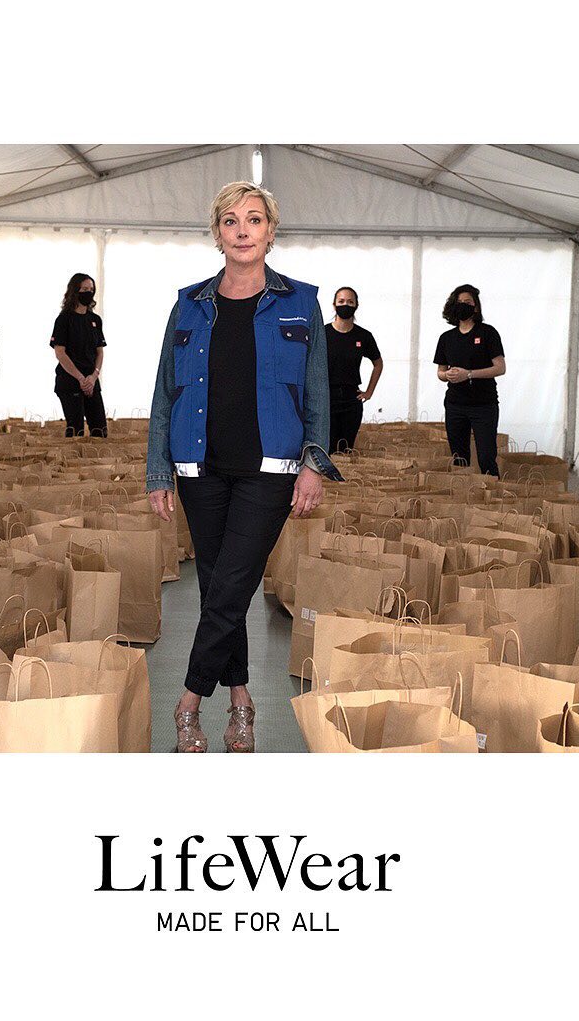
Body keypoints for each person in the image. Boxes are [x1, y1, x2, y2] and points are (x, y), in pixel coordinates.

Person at [146, 181, 342, 753]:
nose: (242, 230)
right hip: (198, 465)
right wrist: (158, 469)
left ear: (271, 231)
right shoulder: (189, 303)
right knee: (217, 589)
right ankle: (240, 700)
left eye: (253, 219)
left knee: (232, 582)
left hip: (272, 468)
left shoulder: (300, 301)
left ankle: (187, 700)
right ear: (217, 233)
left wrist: (313, 464)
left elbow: (317, 390)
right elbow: (165, 390)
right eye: (230, 221)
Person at [433, 284, 506, 476]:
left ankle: (492, 489)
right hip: (455, 404)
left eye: (468, 302)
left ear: (476, 307)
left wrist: (469, 374)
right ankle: (462, 491)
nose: (463, 305)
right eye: (459, 302)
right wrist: (447, 375)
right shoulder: (446, 338)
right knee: (459, 458)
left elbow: (500, 368)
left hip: (483, 405)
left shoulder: (488, 333)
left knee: (486, 456)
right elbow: (440, 372)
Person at [325, 286, 383, 452]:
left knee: (346, 448)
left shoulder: (363, 336)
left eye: (350, 302)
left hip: (351, 399)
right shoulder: (322, 333)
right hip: (327, 398)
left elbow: (378, 363)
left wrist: (369, 392)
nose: (345, 305)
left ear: (356, 305)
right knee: (327, 447)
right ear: (334, 304)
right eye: (341, 301)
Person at [50, 273, 108, 437]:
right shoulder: (64, 319)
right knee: (76, 430)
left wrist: (93, 376)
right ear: (75, 291)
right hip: (70, 380)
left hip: (91, 380)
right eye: (84, 289)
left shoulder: (95, 320)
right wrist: (81, 378)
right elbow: (60, 353)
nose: (88, 293)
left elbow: (100, 352)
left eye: (91, 289)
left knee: (100, 429)